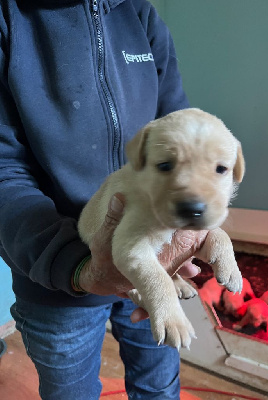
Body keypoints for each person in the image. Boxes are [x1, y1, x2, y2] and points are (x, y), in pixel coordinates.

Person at [0, 1, 203, 399]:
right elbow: (4, 170)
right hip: (57, 281)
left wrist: (191, 222)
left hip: (154, 261)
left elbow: (178, 125)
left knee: (159, 387)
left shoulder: (138, 12)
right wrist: (77, 266)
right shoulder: (8, 19)